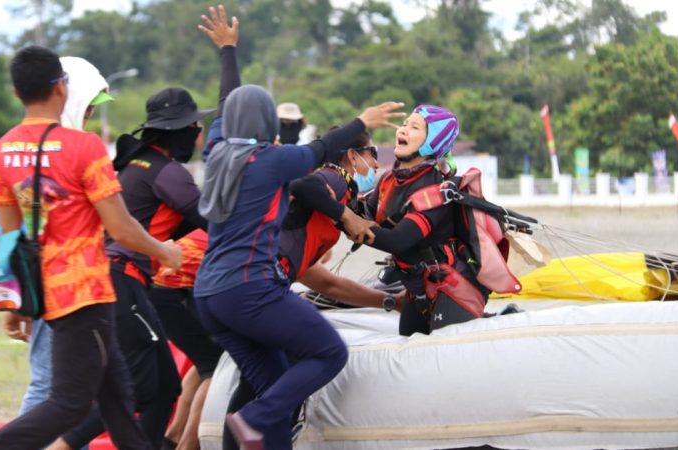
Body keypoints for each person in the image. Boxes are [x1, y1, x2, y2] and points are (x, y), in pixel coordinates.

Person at [193, 5, 405, 448]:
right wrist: (363, 123)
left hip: (209, 295)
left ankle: (258, 420)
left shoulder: (215, 154)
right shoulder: (270, 160)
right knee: (329, 352)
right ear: (269, 124)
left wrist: (228, 52)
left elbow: (226, 100)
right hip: (249, 289)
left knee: (275, 385)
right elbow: (324, 148)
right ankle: (256, 416)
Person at [0, 45, 181, 450]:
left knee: (118, 401)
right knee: (69, 404)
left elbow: (12, 236)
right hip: (85, 294)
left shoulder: (1, 151)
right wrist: (165, 252)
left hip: (49, 295)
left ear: (17, 93)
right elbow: (121, 228)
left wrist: (18, 305)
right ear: (61, 88)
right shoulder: (83, 147)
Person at [50, 83, 214, 450]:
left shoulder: (140, 164)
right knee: (136, 390)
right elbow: (212, 223)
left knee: (165, 387)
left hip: (129, 283)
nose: (199, 133)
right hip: (121, 280)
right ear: (180, 130)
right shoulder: (167, 172)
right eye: (195, 126)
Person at [13, 57, 117, 427]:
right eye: (87, 109)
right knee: (49, 384)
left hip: (71, 284)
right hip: (60, 284)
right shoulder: (69, 151)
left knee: (77, 385)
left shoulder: (35, 147)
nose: (88, 118)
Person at [364, 105, 487, 336]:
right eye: (404, 124)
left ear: (433, 140)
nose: (404, 129)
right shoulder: (387, 181)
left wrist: (350, 223)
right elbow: (361, 216)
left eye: (414, 126)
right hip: (416, 288)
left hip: (450, 289)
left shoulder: (435, 188)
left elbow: (397, 241)